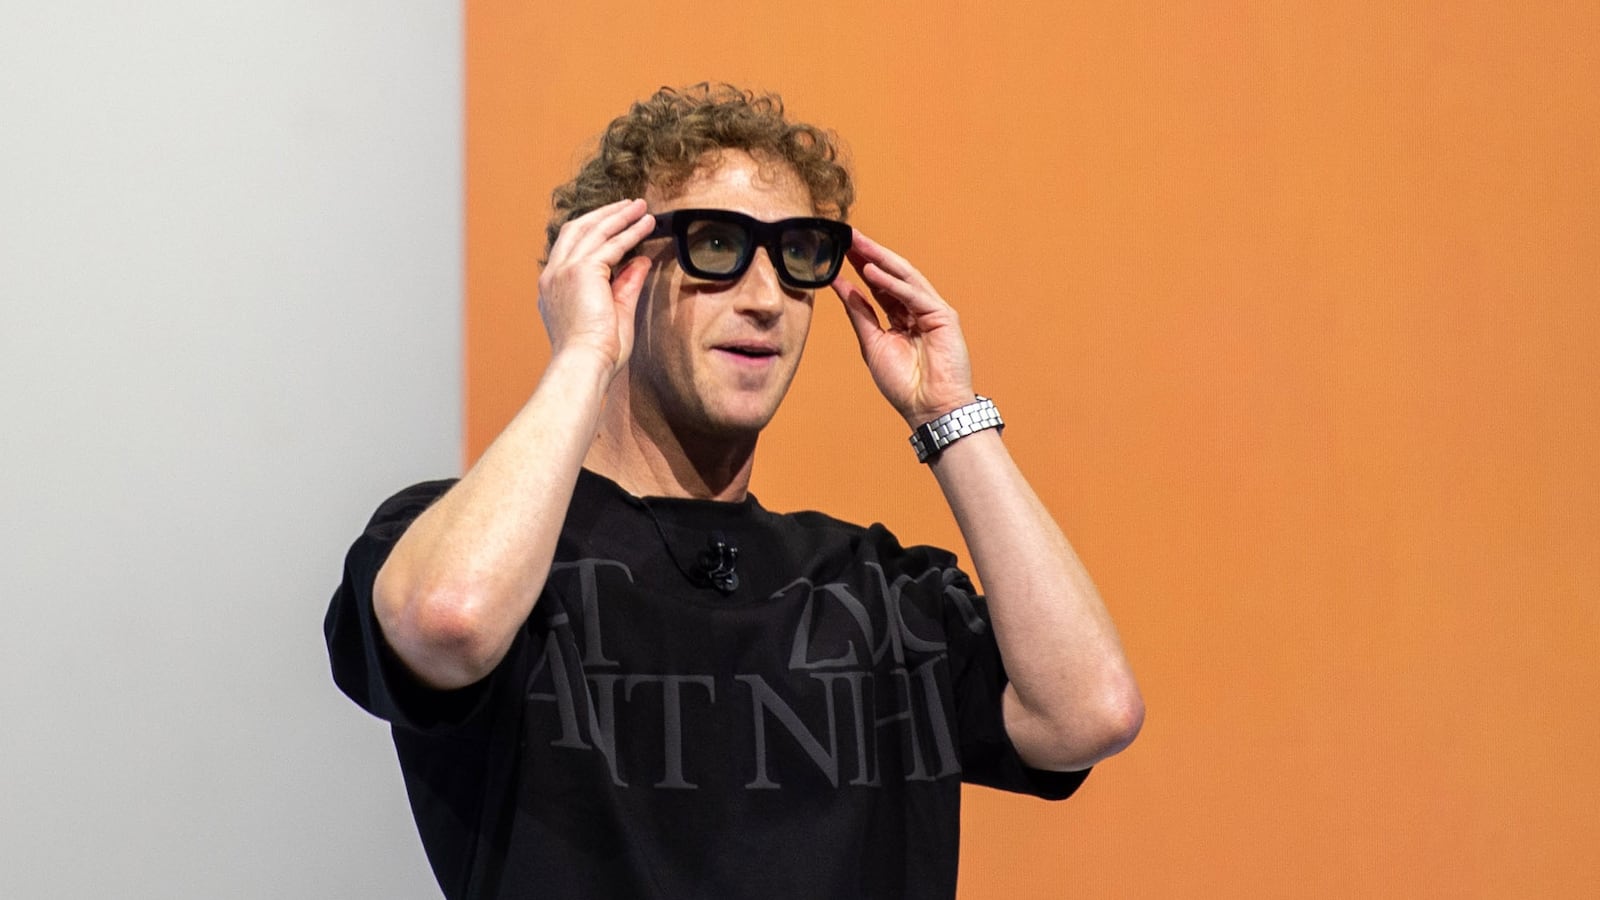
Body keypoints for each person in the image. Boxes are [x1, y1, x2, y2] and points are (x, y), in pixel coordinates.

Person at [325, 83, 1142, 900]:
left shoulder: (875, 590)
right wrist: (583, 353)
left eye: (798, 257)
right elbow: (451, 620)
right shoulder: (469, 549)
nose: (764, 299)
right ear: (615, 269)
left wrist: (949, 412)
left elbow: (1088, 713)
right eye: (716, 246)